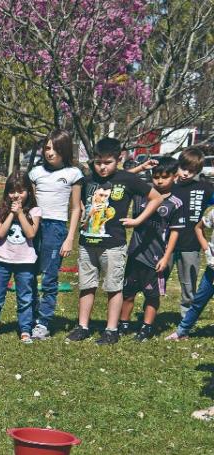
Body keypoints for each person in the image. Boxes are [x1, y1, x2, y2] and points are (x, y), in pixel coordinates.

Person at [64, 137, 163, 345]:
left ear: (119, 159)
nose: (102, 167)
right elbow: (79, 204)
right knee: (86, 285)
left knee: (113, 287)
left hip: (113, 246)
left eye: (107, 162)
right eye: (98, 162)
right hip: (87, 243)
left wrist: (138, 220)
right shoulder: (88, 180)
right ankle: (83, 326)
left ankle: (111, 330)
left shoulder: (128, 179)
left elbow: (156, 198)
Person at [117, 157, 184, 341]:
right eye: (156, 177)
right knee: (128, 292)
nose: (160, 181)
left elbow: (174, 234)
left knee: (151, 295)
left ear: (174, 177)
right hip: (135, 254)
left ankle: (146, 328)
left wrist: (166, 257)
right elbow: (120, 178)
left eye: (164, 177)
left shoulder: (176, 203)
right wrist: (140, 168)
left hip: (156, 259)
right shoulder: (141, 194)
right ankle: (123, 324)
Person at [27, 130, 84, 339]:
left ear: (65, 150)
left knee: (50, 278)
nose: (50, 153)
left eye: (55, 149)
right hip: (34, 226)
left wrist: (69, 238)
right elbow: (29, 203)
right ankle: (30, 317)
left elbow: (76, 208)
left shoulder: (74, 174)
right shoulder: (35, 173)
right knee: (29, 274)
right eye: (47, 148)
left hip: (57, 228)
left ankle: (43, 322)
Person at [0, 173, 41, 344]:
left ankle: (25, 330)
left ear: (28, 192)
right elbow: (0, 233)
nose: (16, 195)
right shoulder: (1, 210)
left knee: (25, 297)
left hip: (25, 262)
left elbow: (30, 233)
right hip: (3, 260)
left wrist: (21, 213)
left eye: (21, 191)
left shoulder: (35, 211)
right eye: (12, 191)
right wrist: (10, 214)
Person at [166, 148, 214, 317]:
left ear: (198, 171)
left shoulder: (205, 188)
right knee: (157, 280)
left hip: (191, 245)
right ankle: (149, 316)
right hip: (166, 243)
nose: (186, 173)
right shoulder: (168, 186)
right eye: (183, 168)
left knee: (188, 284)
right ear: (177, 166)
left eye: (191, 171)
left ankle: (185, 319)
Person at [166, 204, 214, 341]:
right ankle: (182, 331)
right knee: (199, 300)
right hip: (212, 270)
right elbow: (198, 228)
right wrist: (207, 251)